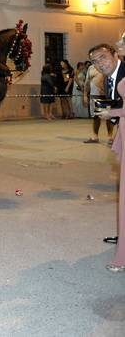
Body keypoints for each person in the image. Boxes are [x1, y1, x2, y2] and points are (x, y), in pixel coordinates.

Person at [90, 38, 125, 271]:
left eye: (103, 57)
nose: (99, 63)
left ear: (115, 54)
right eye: (95, 61)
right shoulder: (108, 78)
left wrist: (111, 112)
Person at [84, 62, 113, 143]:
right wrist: (85, 95)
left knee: (109, 117)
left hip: (107, 95)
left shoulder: (109, 65)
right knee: (96, 117)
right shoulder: (91, 68)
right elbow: (87, 82)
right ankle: (95, 136)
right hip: (94, 95)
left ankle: (110, 137)